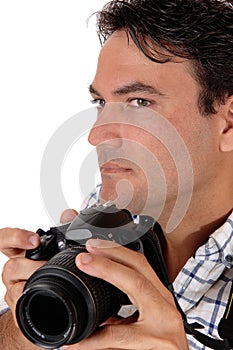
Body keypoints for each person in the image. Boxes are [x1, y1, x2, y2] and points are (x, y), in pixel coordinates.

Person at [0, 0, 233, 349]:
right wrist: (25, 325)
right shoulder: (111, 210)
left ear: (228, 122)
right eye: (101, 103)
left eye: (139, 102)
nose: (97, 136)